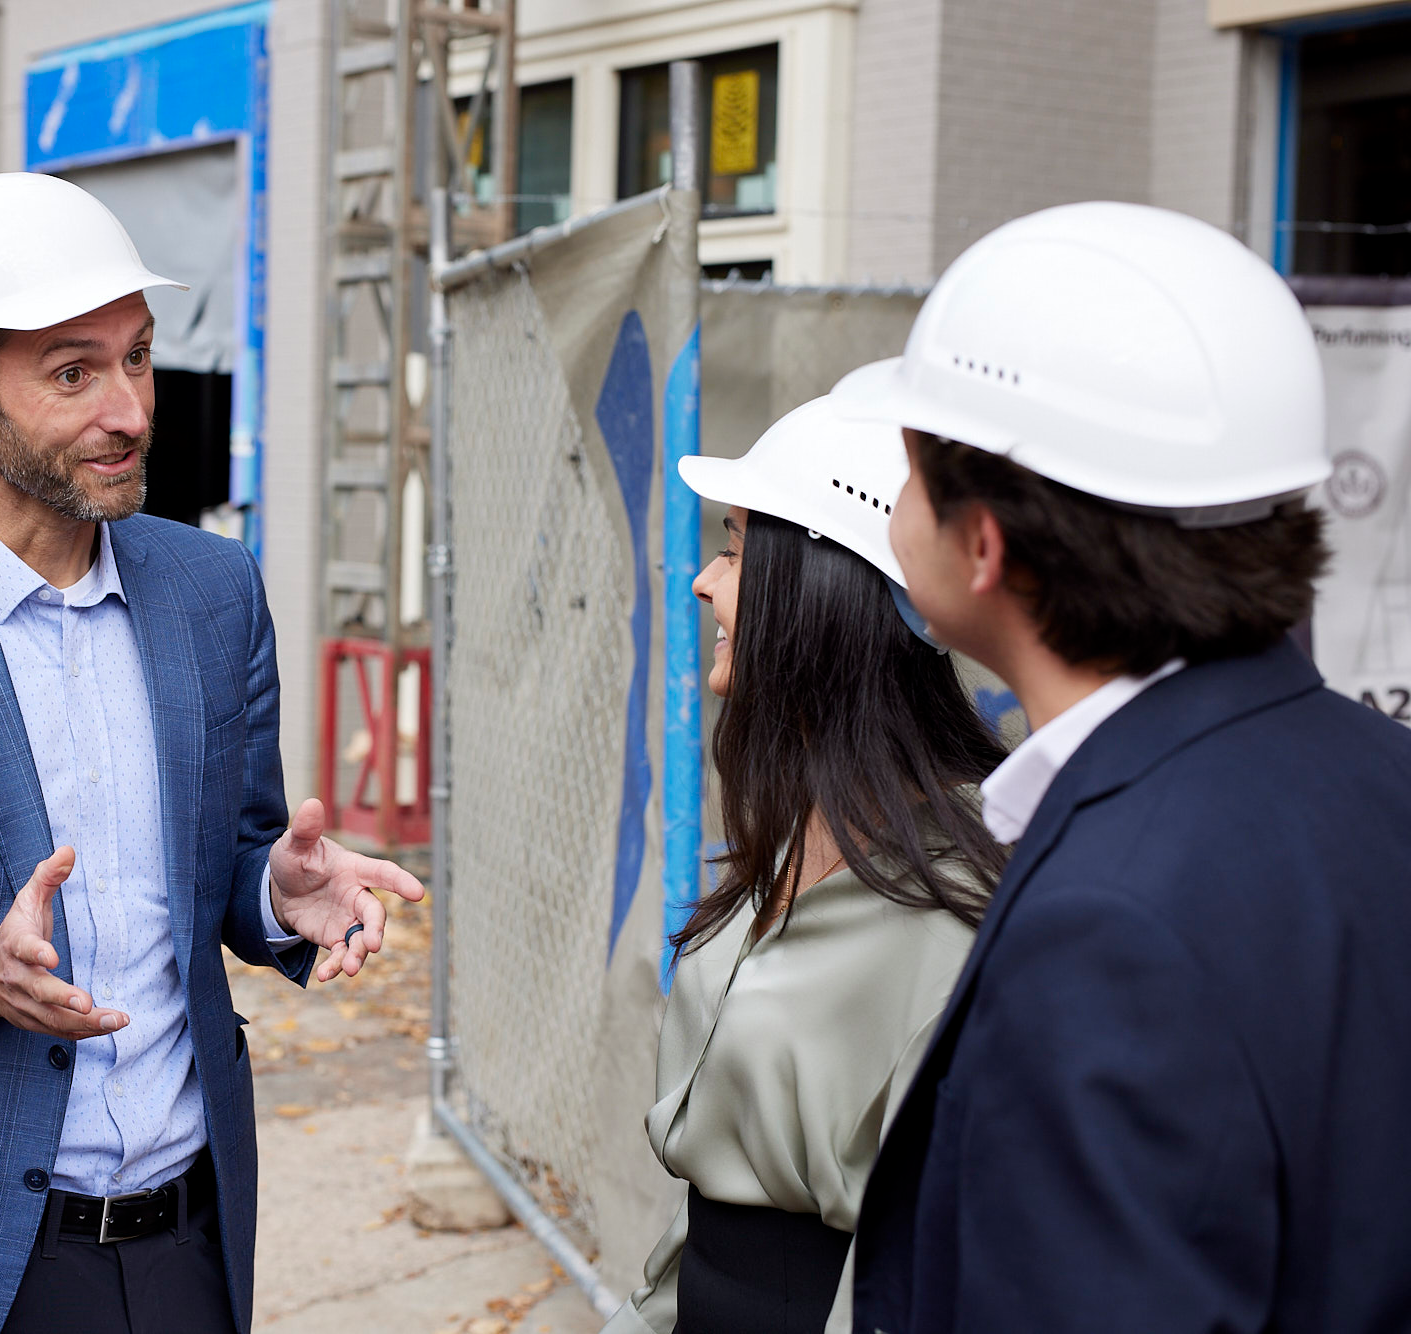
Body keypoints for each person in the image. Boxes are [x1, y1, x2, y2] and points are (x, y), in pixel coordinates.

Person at [0, 172, 425, 1334]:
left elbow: (221, 868)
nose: (128, 409)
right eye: (72, 372)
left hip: (191, 1240)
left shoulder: (215, 592)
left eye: (138, 357)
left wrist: (276, 891)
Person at [835, 201, 1411, 1332]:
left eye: (904, 475)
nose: (892, 507)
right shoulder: (1376, 773)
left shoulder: (1109, 927)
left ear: (984, 540)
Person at [604, 399, 1009, 1334]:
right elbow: (707, 1219)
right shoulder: (799, 833)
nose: (704, 581)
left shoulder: (957, 907)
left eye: (737, 546)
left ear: (824, 587)